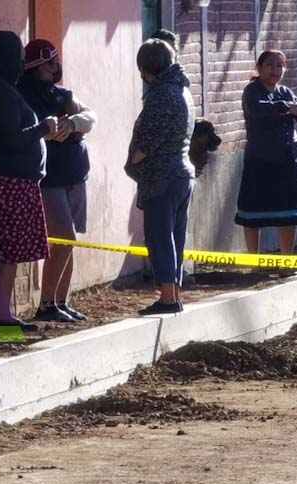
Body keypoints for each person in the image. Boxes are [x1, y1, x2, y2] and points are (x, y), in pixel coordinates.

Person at [0, 31, 59, 331]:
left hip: (5, 178)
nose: (21, 64)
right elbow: (9, 138)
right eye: (18, 58)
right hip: (6, 181)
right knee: (7, 249)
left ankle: (3, 313)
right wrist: (43, 128)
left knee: (6, 249)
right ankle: (3, 315)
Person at [17, 39, 97, 323]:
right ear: (36, 67)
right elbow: (27, 131)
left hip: (74, 175)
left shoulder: (62, 95)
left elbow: (90, 116)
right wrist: (48, 130)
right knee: (64, 238)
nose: (55, 67)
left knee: (69, 242)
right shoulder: (23, 98)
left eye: (55, 62)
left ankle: (62, 301)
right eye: (49, 63)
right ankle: (47, 303)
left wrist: (72, 124)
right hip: (48, 179)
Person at [125, 39, 195, 315]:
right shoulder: (182, 89)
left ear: (145, 68)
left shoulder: (161, 93)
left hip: (161, 176)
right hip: (182, 172)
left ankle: (167, 297)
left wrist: (134, 158)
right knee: (176, 237)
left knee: (160, 237)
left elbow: (149, 138)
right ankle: (173, 294)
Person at [234, 49, 297, 257]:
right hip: (259, 161)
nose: (275, 70)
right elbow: (258, 110)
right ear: (259, 68)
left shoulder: (285, 91)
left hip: (287, 161)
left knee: (289, 215)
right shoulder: (252, 91)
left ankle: (286, 259)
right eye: (269, 65)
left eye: (280, 66)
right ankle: (254, 261)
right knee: (253, 214)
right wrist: (287, 107)